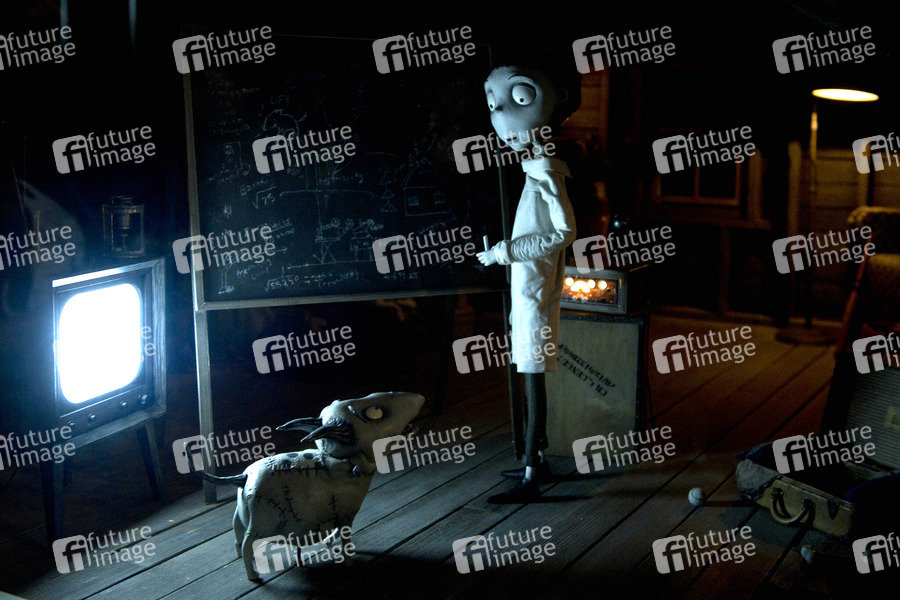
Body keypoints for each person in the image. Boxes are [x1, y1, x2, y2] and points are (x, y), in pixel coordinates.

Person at [476, 46, 581, 503]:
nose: (500, 111)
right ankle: (536, 457)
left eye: (519, 97)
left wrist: (505, 251)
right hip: (528, 288)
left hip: (535, 290)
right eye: (493, 100)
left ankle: (532, 470)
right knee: (528, 370)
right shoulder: (534, 170)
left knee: (533, 373)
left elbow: (564, 231)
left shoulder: (547, 175)